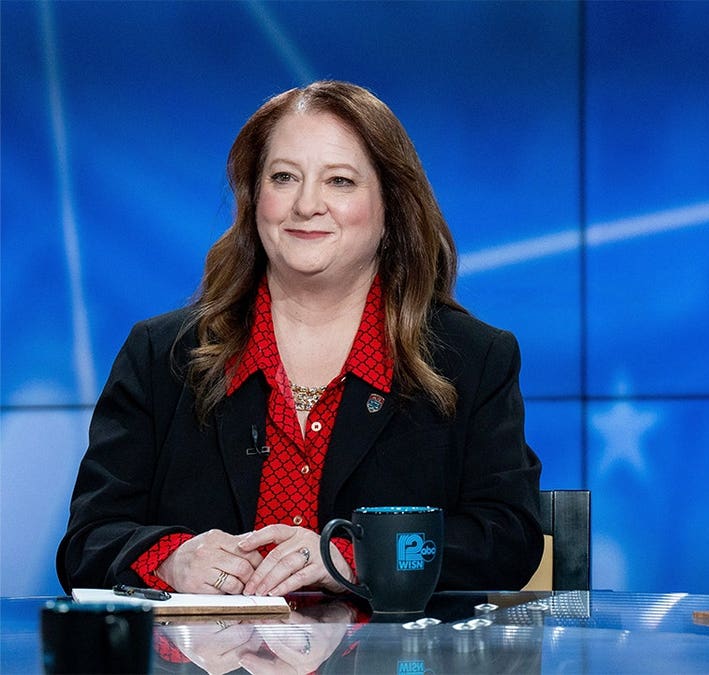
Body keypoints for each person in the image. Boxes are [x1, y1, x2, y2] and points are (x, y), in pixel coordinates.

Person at [57, 80, 544, 597]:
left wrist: (356, 557)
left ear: (390, 207)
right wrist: (171, 560)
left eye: (339, 181)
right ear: (253, 198)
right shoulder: (161, 356)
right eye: (284, 177)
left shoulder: (472, 359)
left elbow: (507, 539)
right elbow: (88, 541)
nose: (306, 204)